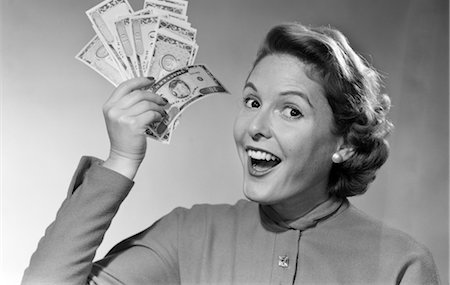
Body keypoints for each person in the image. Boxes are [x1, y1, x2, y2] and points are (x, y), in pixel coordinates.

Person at [22, 23, 440, 284]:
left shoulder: (401, 265)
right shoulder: (189, 234)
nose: (256, 127)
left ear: (344, 142)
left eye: (291, 110)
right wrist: (121, 161)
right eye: (253, 102)